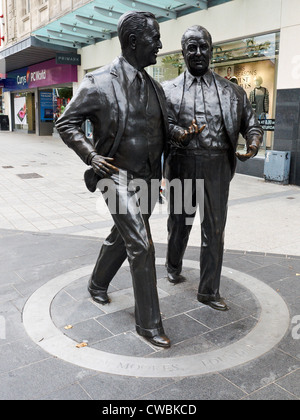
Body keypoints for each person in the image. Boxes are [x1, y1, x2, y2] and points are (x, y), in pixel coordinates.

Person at [56, 11, 170, 348]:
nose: (160, 45)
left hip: (149, 178)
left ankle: (96, 283)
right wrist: (90, 155)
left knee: (122, 236)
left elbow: (162, 129)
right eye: (155, 38)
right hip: (115, 175)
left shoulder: (155, 86)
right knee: (141, 244)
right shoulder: (98, 82)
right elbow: (66, 123)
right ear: (134, 41)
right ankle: (148, 325)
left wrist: (181, 134)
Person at [162, 25, 263, 311]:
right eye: (191, 48)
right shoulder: (167, 91)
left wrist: (253, 144)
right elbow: (161, 125)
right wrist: (179, 133)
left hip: (217, 167)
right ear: (183, 53)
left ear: (211, 49)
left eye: (202, 47)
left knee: (214, 230)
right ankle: (173, 266)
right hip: (182, 164)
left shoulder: (232, 91)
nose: (197, 53)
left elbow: (251, 124)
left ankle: (208, 291)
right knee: (179, 225)